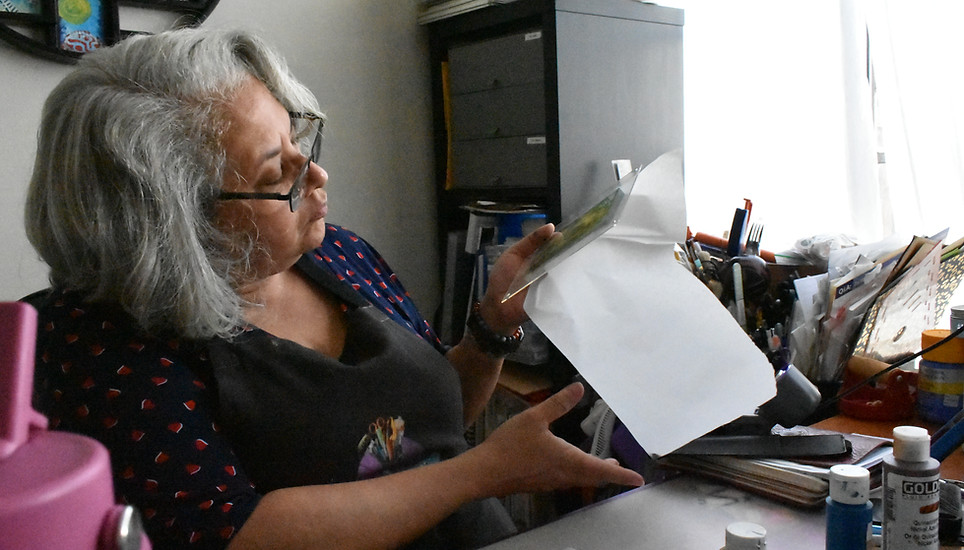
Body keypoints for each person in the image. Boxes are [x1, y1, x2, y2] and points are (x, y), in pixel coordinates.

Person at [22, 27, 643, 550]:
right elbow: (230, 533)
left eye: (299, 140)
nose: (316, 174)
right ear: (173, 221)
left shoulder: (336, 253)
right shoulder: (105, 345)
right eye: (277, 171)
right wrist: (480, 473)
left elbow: (419, 424)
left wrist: (491, 327)